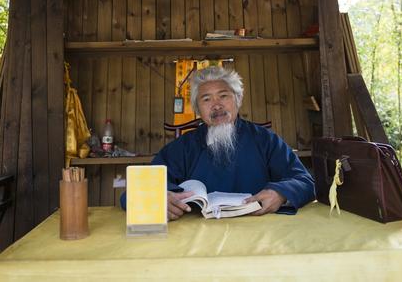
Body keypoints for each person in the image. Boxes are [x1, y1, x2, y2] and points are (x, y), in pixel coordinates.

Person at [120, 66, 315, 220]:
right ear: (198, 110)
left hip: (258, 230)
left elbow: (305, 181)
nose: (216, 105)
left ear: (238, 99)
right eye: (206, 99)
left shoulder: (265, 140)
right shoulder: (182, 148)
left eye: (223, 96)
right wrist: (157, 200)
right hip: (195, 238)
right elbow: (134, 193)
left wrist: (280, 194)